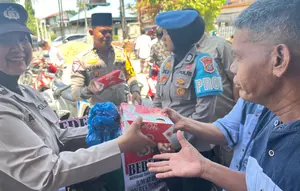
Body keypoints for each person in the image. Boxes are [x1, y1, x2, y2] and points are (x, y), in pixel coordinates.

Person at [0, 3, 154, 191]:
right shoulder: (82, 59)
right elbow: (48, 172)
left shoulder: (25, 92)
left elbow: (58, 136)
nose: (18, 48)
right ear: (92, 32)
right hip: (87, 154)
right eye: (5, 40)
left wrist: (115, 126)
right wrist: (119, 144)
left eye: (23, 39)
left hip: (114, 123)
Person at [148, 0, 300, 190]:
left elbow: (205, 112)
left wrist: (178, 139)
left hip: (193, 145)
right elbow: (255, 184)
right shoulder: (269, 117)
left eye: (239, 57)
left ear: (279, 59)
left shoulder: (203, 62)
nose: (231, 68)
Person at [153, 9, 224, 191]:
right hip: (167, 147)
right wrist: (159, 138)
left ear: (179, 36)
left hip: (195, 150)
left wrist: (174, 141)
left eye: (166, 34)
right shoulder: (166, 64)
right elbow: (158, 103)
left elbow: (203, 114)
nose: (163, 38)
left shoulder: (204, 63)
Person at [71, 13, 141, 106]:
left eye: (110, 32)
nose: (108, 35)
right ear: (91, 32)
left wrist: (135, 91)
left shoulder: (121, 53)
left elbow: (130, 75)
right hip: (99, 114)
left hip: (122, 110)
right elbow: (75, 94)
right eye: (103, 32)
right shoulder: (81, 60)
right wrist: (88, 90)